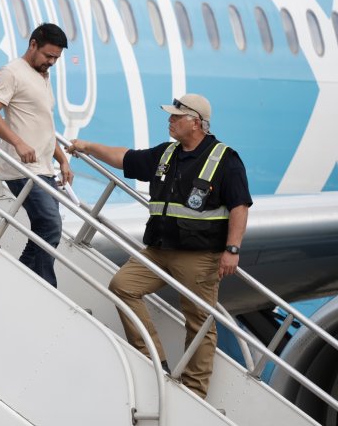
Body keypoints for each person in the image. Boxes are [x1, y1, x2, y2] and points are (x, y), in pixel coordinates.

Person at [66, 93, 252, 398]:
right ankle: (156, 360)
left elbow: (239, 206)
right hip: (159, 250)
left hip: (199, 256)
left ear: (196, 123)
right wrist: (89, 147)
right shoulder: (167, 154)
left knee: (200, 321)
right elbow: (125, 157)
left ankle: (194, 391)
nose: (170, 121)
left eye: (176, 117)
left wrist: (232, 250)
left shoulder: (225, 159)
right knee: (122, 285)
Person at [0, 23, 73, 288]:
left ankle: (20, 281)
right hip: (22, 168)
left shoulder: (43, 75)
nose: (52, 62)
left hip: (44, 169)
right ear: (33, 44)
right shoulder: (11, 73)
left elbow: (44, 125)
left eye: (56, 58)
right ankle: (45, 290)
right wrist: (18, 143)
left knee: (47, 231)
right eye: (48, 56)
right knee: (50, 226)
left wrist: (62, 159)